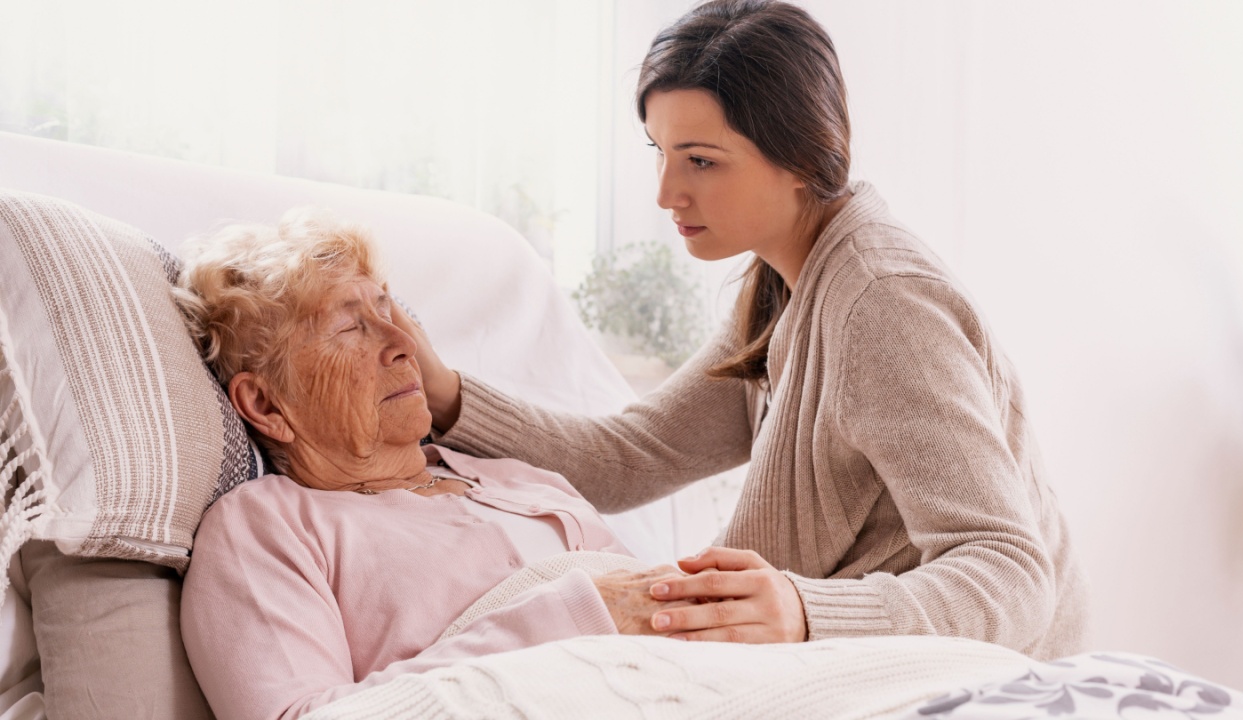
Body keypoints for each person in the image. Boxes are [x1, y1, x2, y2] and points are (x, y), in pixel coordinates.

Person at [401, 0, 1089, 658]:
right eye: (660, 152)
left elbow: (1012, 575)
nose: (667, 193)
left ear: (799, 156)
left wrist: (804, 612)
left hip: (985, 682)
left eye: (700, 160)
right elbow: (630, 456)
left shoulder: (885, 305)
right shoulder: (783, 284)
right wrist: (444, 395)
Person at [174, 210, 691, 720]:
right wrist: (572, 614)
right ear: (266, 405)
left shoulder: (526, 480)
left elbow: (670, 618)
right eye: (351, 327)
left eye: (389, 312)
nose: (404, 344)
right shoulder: (268, 527)